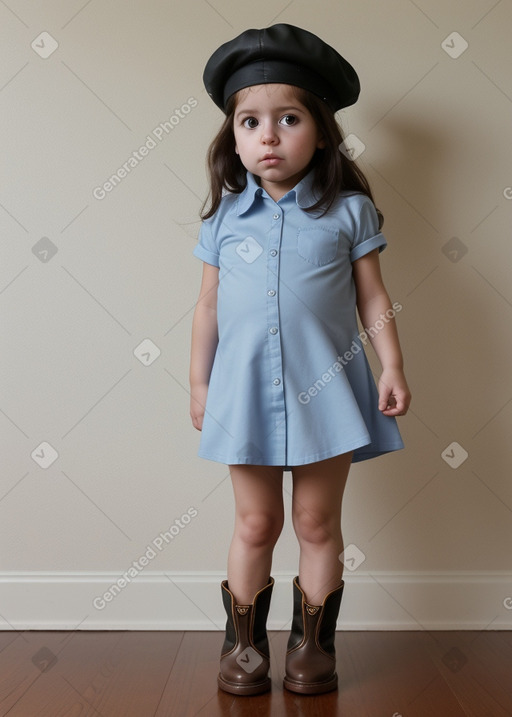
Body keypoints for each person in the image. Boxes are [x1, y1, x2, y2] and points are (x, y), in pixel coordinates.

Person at [189, 23, 411, 696]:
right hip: (245, 392)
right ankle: (244, 647)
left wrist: (393, 363)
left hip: (327, 390)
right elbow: (207, 308)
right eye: (250, 121)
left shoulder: (348, 211)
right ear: (233, 134)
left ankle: (313, 647)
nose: (268, 136)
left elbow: (373, 296)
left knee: (317, 521)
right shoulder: (224, 218)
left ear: (320, 129)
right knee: (256, 520)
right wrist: (198, 381)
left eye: (288, 118)